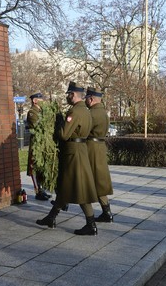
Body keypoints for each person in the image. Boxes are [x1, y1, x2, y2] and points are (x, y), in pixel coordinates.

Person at [36, 81, 98, 235]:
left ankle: (91, 225)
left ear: (72, 95)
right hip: (80, 149)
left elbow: (64, 135)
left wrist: (59, 122)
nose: (67, 98)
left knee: (76, 187)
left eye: (68, 95)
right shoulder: (86, 111)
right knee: (67, 187)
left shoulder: (75, 111)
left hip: (72, 152)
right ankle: (51, 217)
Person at [85, 87, 114, 223]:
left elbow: (83, 130)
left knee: (83, 178)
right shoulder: (103, 112)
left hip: (91, 148)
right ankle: (106, 212)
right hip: (100, 147)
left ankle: (61, 204)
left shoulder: (91, 113)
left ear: (91, 99)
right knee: (100, 181)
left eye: (86, 98)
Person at [26, 92, 51, 201]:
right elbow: (38, 126)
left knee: (41, 167)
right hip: (36, 143)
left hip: (43, 143)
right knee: (34, 167)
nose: (42, 101)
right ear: (35, 100)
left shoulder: (41, 111)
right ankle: (38, 191)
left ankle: (42, 189)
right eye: (40, 99)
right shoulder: (32, 112)